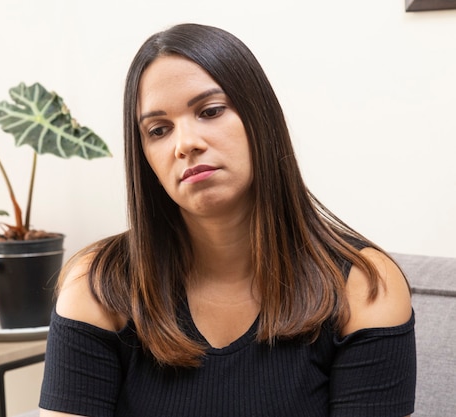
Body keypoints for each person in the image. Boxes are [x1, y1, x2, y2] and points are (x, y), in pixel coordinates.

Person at [38, 23, 416, 417]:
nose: (185, 144)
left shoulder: (365, 285)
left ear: (259, 118)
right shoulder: (99, 284)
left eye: (210, 111)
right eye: (159, 130)